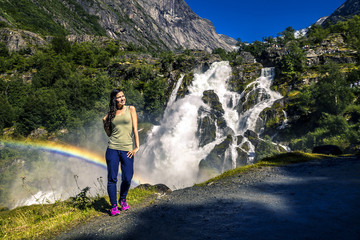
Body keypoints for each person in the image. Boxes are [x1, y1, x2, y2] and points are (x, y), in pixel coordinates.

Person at [103, 89, 140, 216]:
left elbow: (135, 129)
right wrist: (105, 123)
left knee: (127, 178)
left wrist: (136, 147)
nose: (122, 98)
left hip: (128, 149)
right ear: (114, 99)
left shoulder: (131, 109)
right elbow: (109, 134)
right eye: (119, 97)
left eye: (123, 96)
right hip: (112, 148)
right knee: (112, 179)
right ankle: (114, 206)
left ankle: (122, 198)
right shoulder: (111, 114)